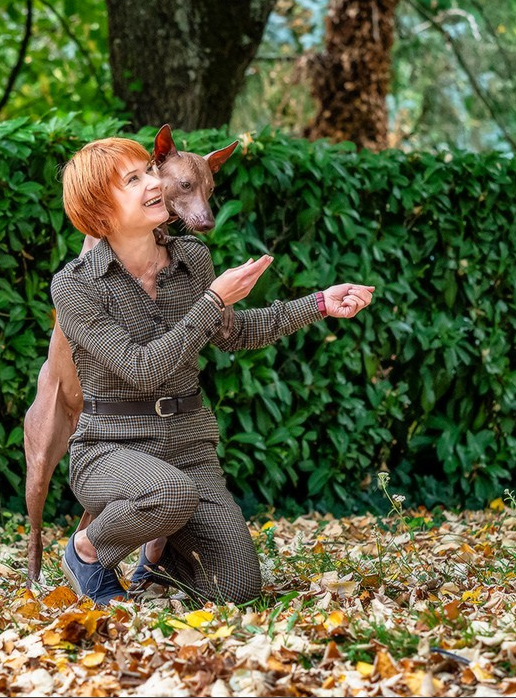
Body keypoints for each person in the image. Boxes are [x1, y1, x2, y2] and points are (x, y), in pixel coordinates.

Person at [51, 136, 374, 605]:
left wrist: (320, 304)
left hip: (190, 449)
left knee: (238, 590)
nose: (153, 182)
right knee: (168, 493)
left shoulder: (192, 260)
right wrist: (214, 300)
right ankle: (86, 551)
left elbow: (234, 332)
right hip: (109, 449)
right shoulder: (76, 285)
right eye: (134, 179)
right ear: (99, 207)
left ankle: (159, 563)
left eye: (149, 170)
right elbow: (141, 369)